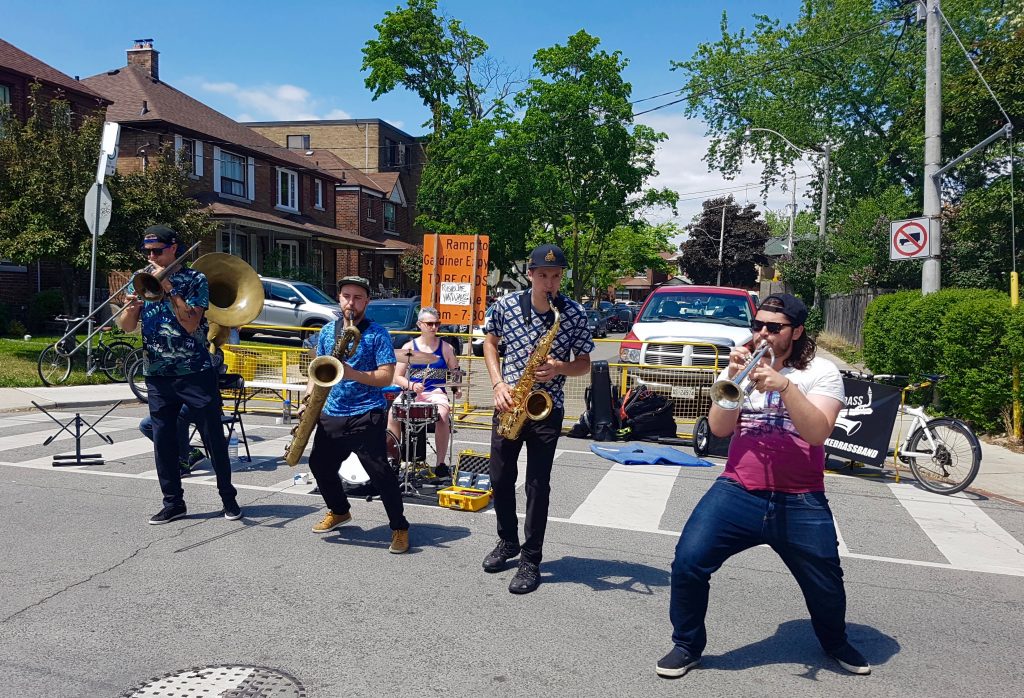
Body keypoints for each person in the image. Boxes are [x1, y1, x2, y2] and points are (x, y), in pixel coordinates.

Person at [657, 293, 870, 678]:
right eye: (758, 325)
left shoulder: (821, 372)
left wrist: (785, 388)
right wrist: (733, 374)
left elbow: (818, 433)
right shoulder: (741, 367)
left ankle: (835, 641)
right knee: (688, 561)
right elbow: (719, 429)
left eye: (774, 328)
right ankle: (687, 644)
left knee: (826, 583)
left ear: (797, 331)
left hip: (801, 498)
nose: (763, 334)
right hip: (738, 490)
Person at [483, 244, 594, 594]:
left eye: (556, 276)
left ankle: (531, 559)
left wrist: (561, 367)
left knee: (537, 486)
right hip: (510, 402)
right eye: (543, 275)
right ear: (530, 274)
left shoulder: (573, 313)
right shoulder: (504, 306)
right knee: (499, 478)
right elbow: (489, 341)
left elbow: (585, 363)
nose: (550, 282)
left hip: (547, 406)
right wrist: (498, 383)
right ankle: (507, 541)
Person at [117, 225, 241, 524]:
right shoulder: (140, 278)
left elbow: (190, 324)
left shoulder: (195, 279)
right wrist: (131, 306)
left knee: (213, 436)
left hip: (194, 372)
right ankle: (173, 503)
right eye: (147, 251)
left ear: (173, 248)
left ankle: (229, 498)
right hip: (158, 373)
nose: (151, 256)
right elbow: (125, 326)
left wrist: (170, 289)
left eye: (157, 251)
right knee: (164, 440)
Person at [304, 275, 411, 554]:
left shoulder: (377, 333)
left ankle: (399, 527)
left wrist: (352, 373)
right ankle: (339, 510)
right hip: (333, 410)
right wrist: (309, 396)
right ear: (339, 298)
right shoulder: (328, 331)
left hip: (366, 411)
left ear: (367, 301)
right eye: (346, 296)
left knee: (379, 473)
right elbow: (317, 368)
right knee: (319, 465)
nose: (351, 303)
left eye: (358, 297)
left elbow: (386, 375)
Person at [386, 306, 463, 477]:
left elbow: (455, 372)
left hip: (436, 392)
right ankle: (394, 459)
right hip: (412, 393)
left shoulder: (446, 348)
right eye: (429, 324)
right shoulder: (408, 347)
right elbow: (397, 377)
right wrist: (412, 386)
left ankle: (441, 463)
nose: (434, 327)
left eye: (437, 323)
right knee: (393, 414)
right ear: (419, 324)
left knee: (443, 416)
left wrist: (457, 388)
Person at [138, 405, 206, 476]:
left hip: (198, 406)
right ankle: (191, 453)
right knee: (145, 425)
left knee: (179, 412)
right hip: (173, 404)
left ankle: (183, 461)